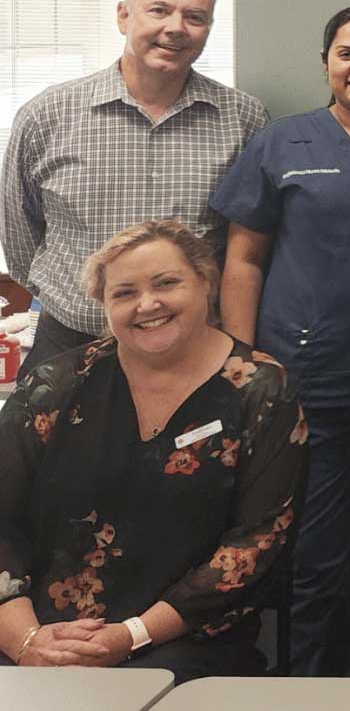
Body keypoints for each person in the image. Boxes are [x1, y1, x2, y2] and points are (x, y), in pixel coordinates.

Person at [208, 6, 350, 675]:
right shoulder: (284, 143)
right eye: (346, 53)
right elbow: (243, 261)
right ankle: (309, 684)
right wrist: (245, 366)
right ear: (326, 63)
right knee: (318, 558)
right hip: (311, 387)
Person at [0, 220, 306, 679]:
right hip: (41, 635)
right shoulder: (54, 385)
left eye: (166, 283)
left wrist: (132, 634)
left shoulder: (263, 392)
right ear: (103, 305)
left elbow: (256, 546)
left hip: (183, 642)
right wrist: (24, 641)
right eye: (124, 293)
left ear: (206, 282)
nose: (148, 304)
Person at [2, 0, 268, 369]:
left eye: (194, 16)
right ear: (124, 17)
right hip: (71, 345)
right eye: (159, 10)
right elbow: (21, 239)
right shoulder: (49, 114)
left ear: (208, 30)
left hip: (192, 351)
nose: (176, 27)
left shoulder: (243, 120)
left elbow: (245, 246)